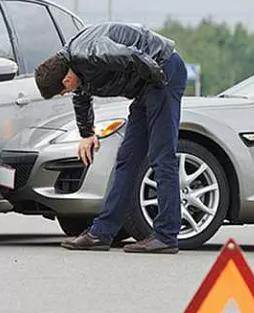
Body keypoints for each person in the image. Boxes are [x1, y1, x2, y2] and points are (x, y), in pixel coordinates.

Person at [34, 22, 187, 254]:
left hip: (162, 73)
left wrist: (159, 85)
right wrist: (87, 134)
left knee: (161, 156)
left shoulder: (92, 53)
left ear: (65, 80)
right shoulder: (73, 64)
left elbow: (133, 56)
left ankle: (166, 235)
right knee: (127, 159)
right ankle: (101, 233)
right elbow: (82, 96)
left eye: (62, 91)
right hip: (147, 86)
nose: (66, 93)